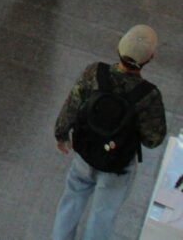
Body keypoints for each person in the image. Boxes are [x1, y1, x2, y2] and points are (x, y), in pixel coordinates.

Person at [51, 25, 165, 239]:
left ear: (118, 48)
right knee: (104, 214)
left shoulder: (95, 72)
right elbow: (153, 140)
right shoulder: (149, 95)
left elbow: (73, 103)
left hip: (86, 151)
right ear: (150, 58)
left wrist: (61, 133)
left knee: (72, 200)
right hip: (118, 162)